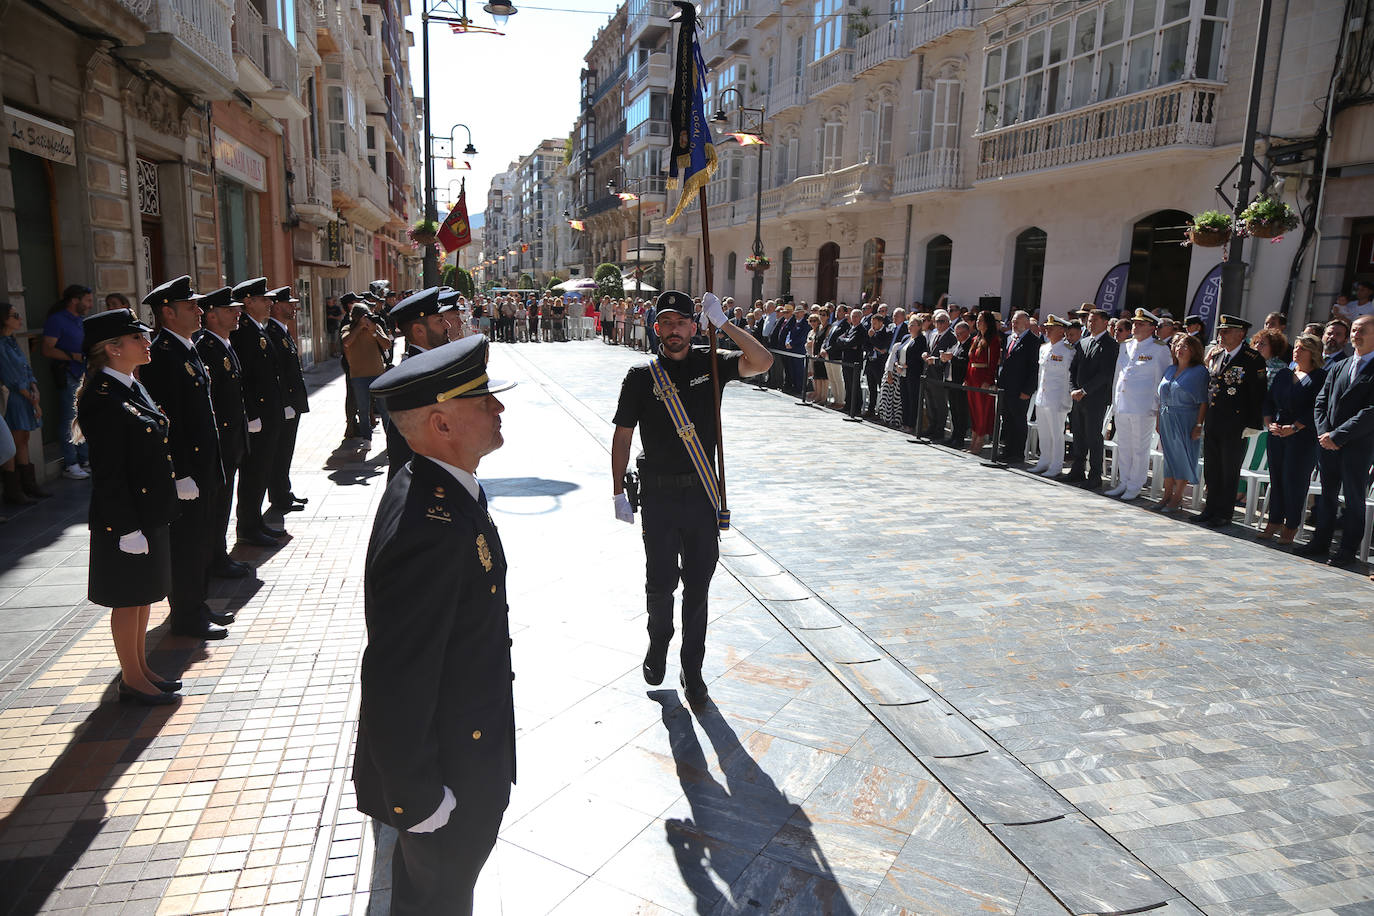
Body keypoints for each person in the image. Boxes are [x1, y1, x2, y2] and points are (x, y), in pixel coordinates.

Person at [355, 336, 516, 915]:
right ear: (441, 423)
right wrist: (416, 798)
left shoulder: (437, 486)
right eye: (483, 400)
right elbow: (396, 674)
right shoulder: (430, 523)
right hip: (447, 776)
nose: (498, 407)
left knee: (430, 896)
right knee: (439, 901)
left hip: (460, 753)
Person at [611, 291, 772, 705]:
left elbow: (762, 362)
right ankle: (659, 638)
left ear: (694, 326)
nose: (674, 330)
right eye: (666, 323)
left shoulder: (710, 363)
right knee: (660, 583)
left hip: (701, 496)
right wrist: (616, 493)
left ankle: (693, 669)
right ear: (656, 328)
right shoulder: (640, 376)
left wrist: (726, 324)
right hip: (659, 499)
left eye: (681, 322)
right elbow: (623, 436)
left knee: (698, 587)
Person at [75, 308, 182, 705]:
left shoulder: (130, 386)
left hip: (146, 510)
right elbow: (109, 472)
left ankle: (140, 669)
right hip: (125, 518)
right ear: (113, 348)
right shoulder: (104, 397)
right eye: (137, 337)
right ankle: (133, 680)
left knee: (144, 595)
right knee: (127, 599)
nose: (146, 341)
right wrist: (126, 528)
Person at [140, 277, 231, 640]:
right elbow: (168, 421)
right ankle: (186, 616)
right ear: (168, 312)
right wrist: (179, 473)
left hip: (204, 465)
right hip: (188, 470)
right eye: (191, 306)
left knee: (203, 539)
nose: (199, 311)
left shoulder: (187, 347)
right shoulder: (162, 355)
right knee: (187, 545)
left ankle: (198, 604)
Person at [1300, 315, 1374, 567]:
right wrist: (1324, 433)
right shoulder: (1340, 366)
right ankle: (1320, 541)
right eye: (1354, 330)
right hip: (1327, 443)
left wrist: (1338, 435)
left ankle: (1347, 550)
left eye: (1362, 331)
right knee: (1327, 496)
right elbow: (1321, 401)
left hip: (1357, 445)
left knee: (1353, 499)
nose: (1356, 335)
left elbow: (1370, 411)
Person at [195, 287, 252, 580]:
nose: (237, 313)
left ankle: (218, 556)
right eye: (230, 310)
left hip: (232, 440)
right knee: (215, 507)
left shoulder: (224, 344)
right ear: (212, 315)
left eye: (237, 309)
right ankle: (214, 559)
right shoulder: (206, 347)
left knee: (223, 503)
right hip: (220, 442)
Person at [229, 278, 287, 548]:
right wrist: (251, 414)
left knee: (262, 470)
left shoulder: (257, 328)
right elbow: (244, 378)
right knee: (253, 473)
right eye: (264, 299)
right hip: (258, 417)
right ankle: (247, 527)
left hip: (268, 413)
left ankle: (255, 521)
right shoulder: (243, 331)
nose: (269, 303)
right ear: (248, 302)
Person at [1195, 314, 1267, 528]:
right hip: (1214, 419)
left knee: (1229, 469)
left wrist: (1252, 424)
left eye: (1226, 331)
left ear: (1241, 333)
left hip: (1235, 423)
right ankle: (1210, 508)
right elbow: (1212, 387)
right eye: (1220, 331)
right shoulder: (1218, 355)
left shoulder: (1252, 359)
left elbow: (1258, 393)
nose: (1222, 335)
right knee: (1212, 467)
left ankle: (1224, 512)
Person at [1260, 333, 1326, 544]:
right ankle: (1274, 521)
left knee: (1294, 481)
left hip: (1302, 437)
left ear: (1313, 353)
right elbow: (1269, 400)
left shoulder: (1320, 377)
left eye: (1302, 348)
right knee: (1277, 479)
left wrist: (1296, 427)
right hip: (1277, 433)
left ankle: (1291, 525)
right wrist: (1269, 422)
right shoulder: (1283, 374)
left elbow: (1317, 407)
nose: (1297, 351)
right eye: (1296, 347)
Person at [1103, 310, 1170, 500]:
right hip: (1123, 403)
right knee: (1124, 446)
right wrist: (1115, 402)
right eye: (1135, 323)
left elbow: (1161, 380)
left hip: (1143, 406)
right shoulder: (1126, 345)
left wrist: (1156, 407)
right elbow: (1118, 376)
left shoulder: (1159, 349)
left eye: (1141, 324)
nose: (1135, 326)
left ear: (1152, 328)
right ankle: (1124, 482)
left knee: (1139, 448)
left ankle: (1135, 485)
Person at [42, 284, 93, 479]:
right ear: (74, 300)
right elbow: (47, 349)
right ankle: (71, 464)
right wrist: (73, 356)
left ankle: (84, 458)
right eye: (87, 301)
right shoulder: (57, 320)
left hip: (82, 374)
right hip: (68, 374)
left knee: (83, 416)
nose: (90, 305)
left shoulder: (80, 320)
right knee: (69, 419)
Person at [266, 288, 309, 514]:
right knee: (280, 452)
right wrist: (285, 403)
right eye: (288, 304)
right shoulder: (272, 333)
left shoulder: (281, 330)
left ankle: (284, 490)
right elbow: (277, 373)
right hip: (285, 403)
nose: (294, 307)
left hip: (292, 401)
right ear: (275, 306)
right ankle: (279, 495)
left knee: (286, 450)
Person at [1155, 333, 1209, 513]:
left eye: (1185, 346)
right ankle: (1166, 494)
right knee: (1169, 458)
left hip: (1186, 419)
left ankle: (1177, 496)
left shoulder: (1199, 372)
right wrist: (1158, 420)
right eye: (1178, 345)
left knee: (1183, 457)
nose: (1180, 349)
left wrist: (1199, 425)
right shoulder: (1170, 369)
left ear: (1194, 350)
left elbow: (1203, 401)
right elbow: (1161, 397)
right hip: (1166, 418)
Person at [0, 302, 49, 503]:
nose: (20, 318)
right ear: (3, 319)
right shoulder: (1, 345)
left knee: (23, 439)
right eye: (15, 315)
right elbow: (11, 376)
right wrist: (32, 398)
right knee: (13, 442)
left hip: (25, 395)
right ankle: (14, 490)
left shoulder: (11, 341)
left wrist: (34, 387)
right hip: (14, 398)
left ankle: (29, 485)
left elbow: (26, 368)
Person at [1065, 309, 1119, 489]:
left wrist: (1084, 390)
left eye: (1095, 320)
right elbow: (1073, 369)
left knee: (1093, 436)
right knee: (1078, 434)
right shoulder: (1083, 342)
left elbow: (1105, 373)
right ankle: (1077, 470)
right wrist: (1073, 389)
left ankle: (1095, 475)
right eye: (1089, 320)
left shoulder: (1110, 345)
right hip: (1078, 398)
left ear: (1105, 322)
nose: (1090, 323)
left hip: (1095, 398)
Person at [1029, 316, 1075, 477]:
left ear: (1062, 330)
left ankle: (1056, 465)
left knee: (1056, 433)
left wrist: (1066, 401)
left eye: (1051, 328)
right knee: (1044, 432)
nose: (1047, 330)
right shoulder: (1044, 348)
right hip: (1043, 396)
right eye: (1047, 327)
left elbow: (1069, 377)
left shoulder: (1068, 351)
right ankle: (1044, 461)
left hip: (1057, 399)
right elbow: (1041, 374)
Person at [343, 304, 392, 444]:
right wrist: (359, 327)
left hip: (378, 374)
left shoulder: (375, 327)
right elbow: (346, 342)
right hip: (358, 376)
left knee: (384, 410)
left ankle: (390, 440)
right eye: (364, 316)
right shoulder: (348, 329)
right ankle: (366, 439)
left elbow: (387, 345)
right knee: (363, 410)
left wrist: (374, 332)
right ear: (356, 317)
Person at [997, 310, 1040, 465]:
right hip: (1006, 387)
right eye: (1013, 321)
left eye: (1017, 321)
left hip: (1020, 389)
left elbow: (1034, 369)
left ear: (1027, 323)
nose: (1014, 324)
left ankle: (1017, 453)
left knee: (1018, 420)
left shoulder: (1033, 341)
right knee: (1007, 419)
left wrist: (1028, 390)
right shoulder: (1010, 338)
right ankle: (1007, 450)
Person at [965, 310, 1002, 455]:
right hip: (972, 377)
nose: (978, 322)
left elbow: (992, 363)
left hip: (983, 379)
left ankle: (979, 442)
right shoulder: (975, 339)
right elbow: (970, 361)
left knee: (982, 411)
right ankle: (973, 439)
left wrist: (988, 380)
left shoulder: (993, 340)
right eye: (977, 320)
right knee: (974, 410)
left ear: (987, 322)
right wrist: (967, 378)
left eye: (980, 320)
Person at [863, 314, 890, 418]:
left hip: (879, 364)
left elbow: (882, 346)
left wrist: (872, 338)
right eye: (872, 323)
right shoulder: (870, 332)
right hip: (870, 361)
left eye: (874, 323)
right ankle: (871, 409)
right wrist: (874, 346)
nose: (873, 325)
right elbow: (865, 345)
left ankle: (881, 411)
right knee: (871, 388)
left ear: (881, 323)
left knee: (881, 388)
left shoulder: (886, 332)